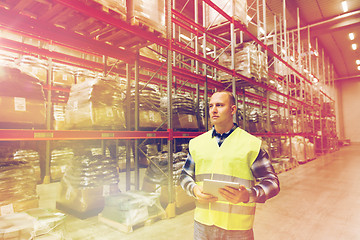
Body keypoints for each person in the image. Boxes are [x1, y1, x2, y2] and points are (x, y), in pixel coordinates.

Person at [180, 91, 280, 240]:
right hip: (202, 225)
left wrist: (248, 194)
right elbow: (184, 176)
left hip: (237, 228)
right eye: (211, 106)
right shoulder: (197, 143)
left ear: (232, 110)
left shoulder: (250, 145)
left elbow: (272, 183)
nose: (214, 110)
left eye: (219, 105)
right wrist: (194, 189)